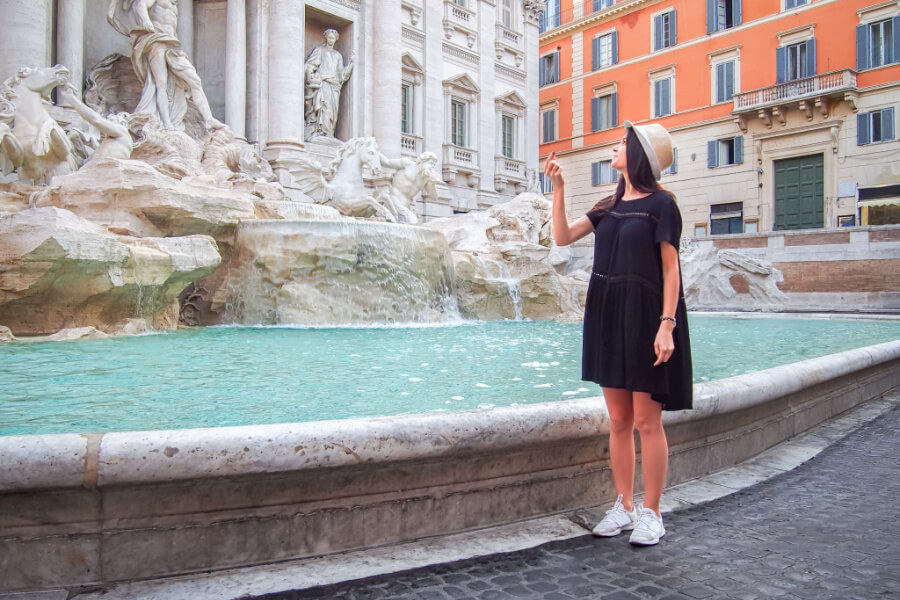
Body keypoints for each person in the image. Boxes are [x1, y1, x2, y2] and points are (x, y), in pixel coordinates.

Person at [543, 120, 692, 546]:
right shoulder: (608, 205)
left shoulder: (663, 205)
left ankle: (653, 512)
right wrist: (558, 189)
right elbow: (563, 236)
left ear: (640, 154)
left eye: (623, 142)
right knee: (619, 420)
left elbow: (670, 268)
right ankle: (623, 505)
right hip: (608, 313)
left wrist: (667, 325)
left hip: (646, 316)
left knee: (647, 420)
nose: (615, 145)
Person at [108, 0, 222, 131]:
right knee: (160, 84)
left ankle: (208, 119)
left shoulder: (174, 4)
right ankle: (166, 122)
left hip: (172, 44)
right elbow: (139, 5)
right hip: (157, 40)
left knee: (194, 80)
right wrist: (146, 22)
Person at [304, 29, 354, 140]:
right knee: (323, 108)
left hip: (334, 86)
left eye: (333, 38)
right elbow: (310, 65)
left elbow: (341, 74)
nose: (331, 40)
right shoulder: (320, 51)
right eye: (329, 37)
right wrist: (311, 76)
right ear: (326, 38)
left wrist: (351, 64)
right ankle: (320, 132)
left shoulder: (338, 55)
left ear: (335, 40)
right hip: (323, 84)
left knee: (332, 113)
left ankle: (329, 134)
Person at [376, 151, 441, 224]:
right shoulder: (407, 164)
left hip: (405, 205)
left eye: (434, 165)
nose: (432, 166)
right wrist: (374, 151)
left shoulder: (426, 178)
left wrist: (433, 183)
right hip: (392, 198)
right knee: (411, 221)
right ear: (423, 161)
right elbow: (386, 162)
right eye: (431, 163)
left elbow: (434, 197)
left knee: (411, 221)